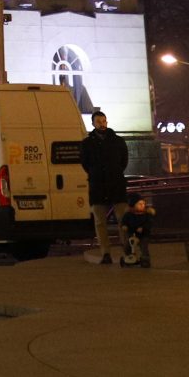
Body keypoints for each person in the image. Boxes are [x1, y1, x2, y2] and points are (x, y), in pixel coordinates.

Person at [78, 108, 130, 265]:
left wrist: (113, 173)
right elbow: (85, 163)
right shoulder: (87, 143)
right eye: (98, 122)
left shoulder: (118, 141)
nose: (102, 124)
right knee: (100, 222)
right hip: (98, 187)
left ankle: (128, 249)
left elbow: (123, 161)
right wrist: (96, 174)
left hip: (116, 185)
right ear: (93, 124)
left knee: (124, 220)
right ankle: (105, 252)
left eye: (104, 121)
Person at [122, 194, 155, 269]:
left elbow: (149, 222)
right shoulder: (128, 215)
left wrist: (143, 227)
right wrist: (124, 226)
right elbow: (124, 221)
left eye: (143, 203)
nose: (142, 205)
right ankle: (129, 255)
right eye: (140, 204)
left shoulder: (146, 215)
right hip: (132, 233)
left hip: (143, 234)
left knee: (144, 246)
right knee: (128, 245)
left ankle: (145, 259)